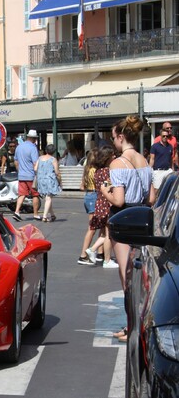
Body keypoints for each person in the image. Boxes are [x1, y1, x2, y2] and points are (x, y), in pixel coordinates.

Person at [100, 115, 152, 340]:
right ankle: (138, 324)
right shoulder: (144, 160)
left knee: (126, 278)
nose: (113, 142)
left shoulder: (117, 163)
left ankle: (132, 328)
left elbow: (119, 200)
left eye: (114, 138)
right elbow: (151, 197)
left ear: (121, 137)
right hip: (143, 218)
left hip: (123, 219)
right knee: (142, 277)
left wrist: (104, 191)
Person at [86, 146, 118, 269]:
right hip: (107, 202)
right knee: (108, 233)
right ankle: (107, 260)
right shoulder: (108, 172)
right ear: (107, 157)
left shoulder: (98, 171)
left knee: (105, 233)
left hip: (100, 201)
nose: (114, 157)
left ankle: (93, 249)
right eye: (112, 155)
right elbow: (109, 188)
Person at [78, 148, 101, 265]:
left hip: (88, 194)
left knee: (98, 225)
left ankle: (100, 253)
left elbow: (81, 187)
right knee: (92, 227)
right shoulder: (95, 171)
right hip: (93, 195)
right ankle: (83, 254)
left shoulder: (87, 169)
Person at [12, 129, 41, 221]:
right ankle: (36, 214)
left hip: (21, 175)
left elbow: (16, 161)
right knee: (35, 195)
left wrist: (19, 170)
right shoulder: (33, 148)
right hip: (31, 175)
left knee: (21, 194)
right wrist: (38, 173)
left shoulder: (19, 147)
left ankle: (17, 211)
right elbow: (35, 163)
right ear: (34, 139)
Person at [34, 144, 62, 222]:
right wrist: (60, 179)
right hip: (50, 180)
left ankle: (52, 215)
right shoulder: (53, 159)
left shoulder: (40, 158)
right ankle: (45, 216)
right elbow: (56, 171)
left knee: (47, 198)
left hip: (41, 179)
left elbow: (35, 169)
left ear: (46, 150)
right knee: (48, 198)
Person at [149, 127, 174, 203]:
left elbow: (171, 159)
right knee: (156, 190)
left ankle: (167, 204)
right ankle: (154, 206)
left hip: (168, 170)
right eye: (163, 136)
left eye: (167, 136)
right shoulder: (155, 146)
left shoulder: (170, 146)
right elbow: (152, 159)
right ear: (160, 136)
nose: (165, 137)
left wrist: (172, 169)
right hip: (158, 171)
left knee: (171, 188)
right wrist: (149, 169)